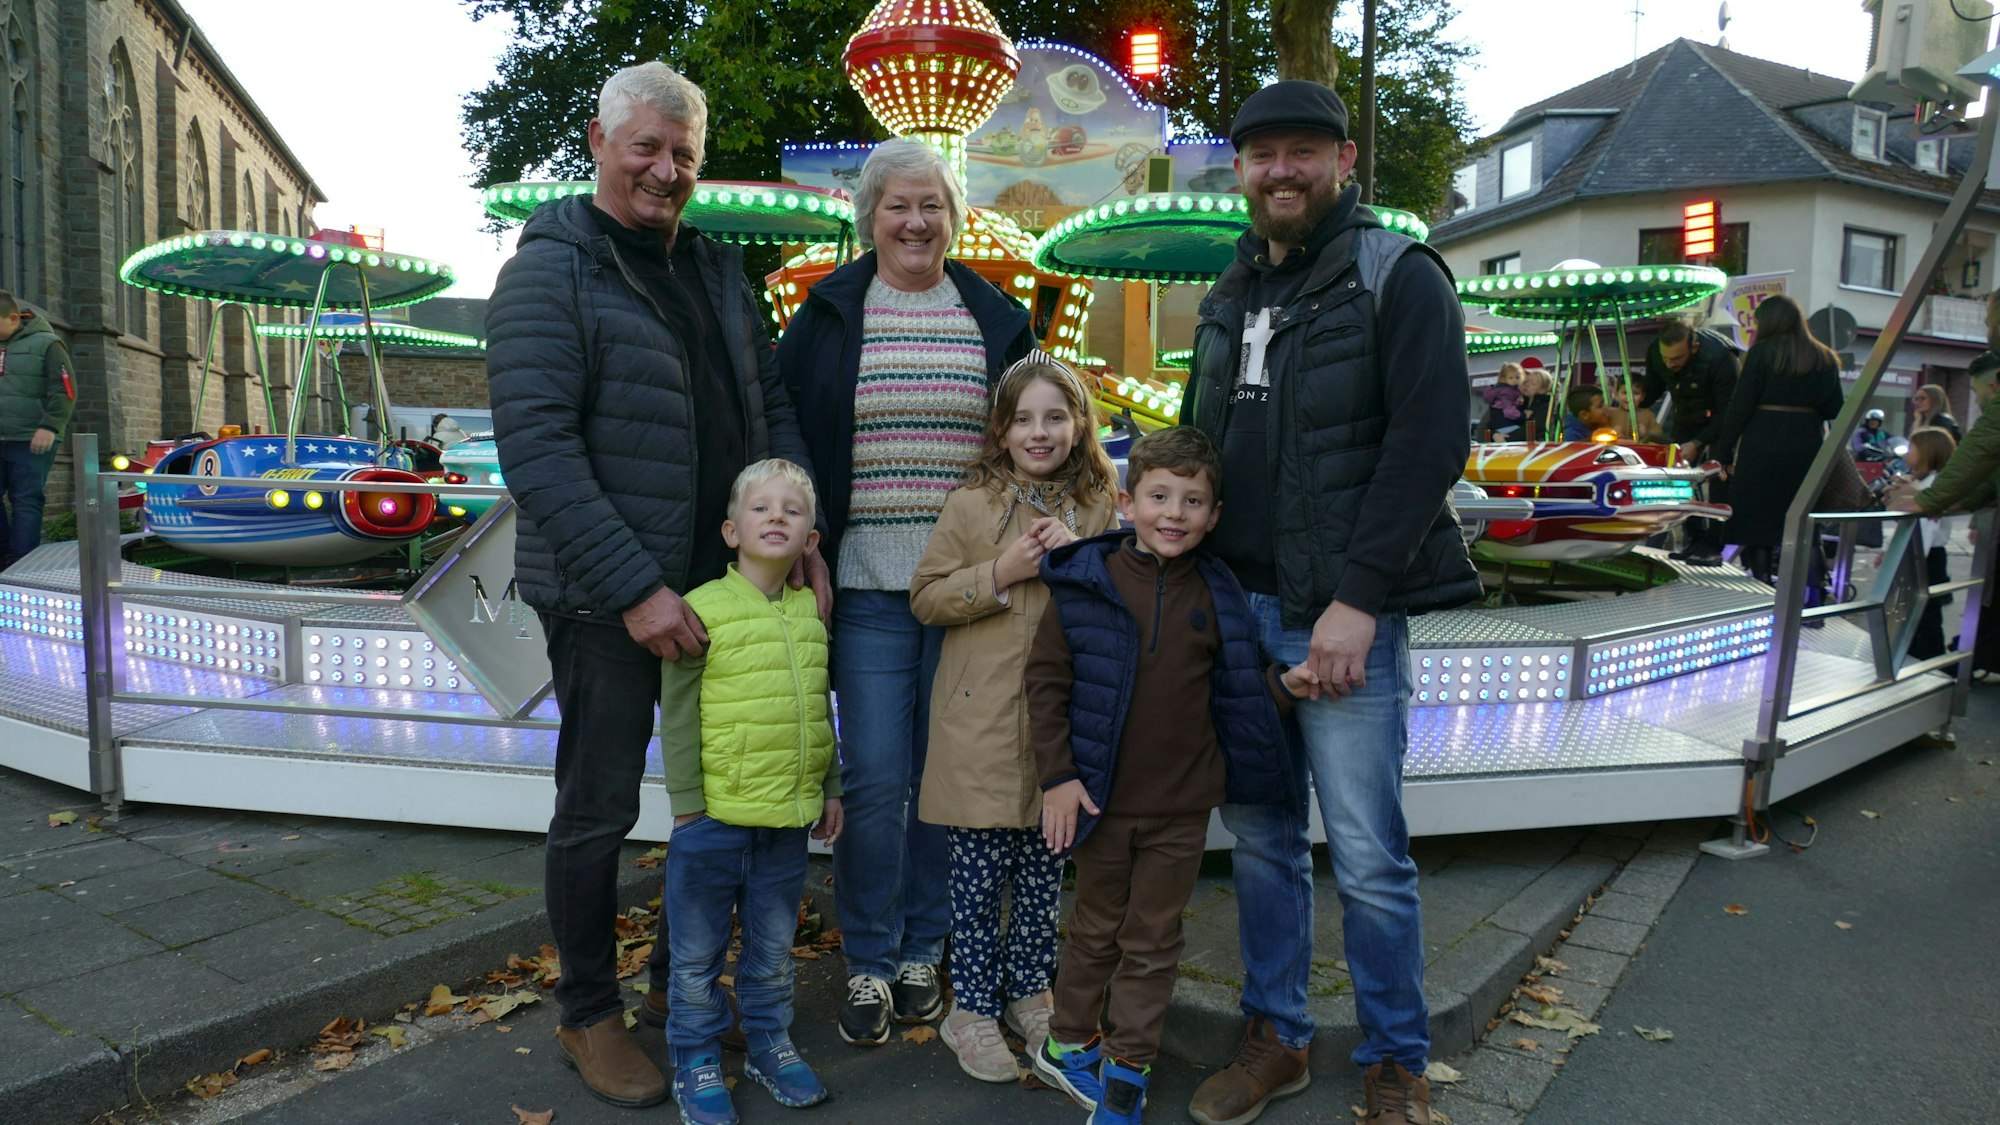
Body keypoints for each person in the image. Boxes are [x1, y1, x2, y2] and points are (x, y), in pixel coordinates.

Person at [484, 62, 820, 1108]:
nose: (665, 170)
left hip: (719, 588)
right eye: (646, 148)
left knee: (714, 803)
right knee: (595, 807)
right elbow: (535, 450)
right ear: (597, 140)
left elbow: (766, 407)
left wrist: (797, 523)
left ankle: (682, 996)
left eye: (682, 154)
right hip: (604, 596)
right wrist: (635, 588)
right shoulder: (551, 270)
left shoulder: (717, 270)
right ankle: (589, 1015)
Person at [1179, 81, 1480, 1125]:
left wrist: (1356, 602)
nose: (1280, 171)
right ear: (1240, 170)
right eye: (1261, 156)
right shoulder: (1230, 292)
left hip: (1338, 616)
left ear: (1343, 162)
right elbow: (1201, 452)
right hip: (1242, 612)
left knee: (1364, 854)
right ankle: (1276, 1036)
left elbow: (1428, 443)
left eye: (1302, 151)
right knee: (1260, 842)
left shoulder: (1395, 276)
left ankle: (1395, 1058)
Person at [777, 138, 1035, 1047]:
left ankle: (928, 946)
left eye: (932, 206)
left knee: (945, 779)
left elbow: (1034, 442)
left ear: (953, 219)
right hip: (868, 586)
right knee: (881, 777)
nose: (916, 222)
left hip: (968, 587)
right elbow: (791, 429)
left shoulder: (995, 318)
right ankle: (873, 958)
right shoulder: (829, 314)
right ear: (871, 217)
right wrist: (802, 537)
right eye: (899, 206)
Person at [1025, 426, 1311, 1125]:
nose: (1174, 513)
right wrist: (1058, 777)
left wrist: (1289, 685)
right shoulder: (1086, 582)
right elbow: (1045, 681)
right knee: (1094, 929)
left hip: (1181, 810)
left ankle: (1128, 1069)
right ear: (1127, 502)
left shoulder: (1218, 595)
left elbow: (1237, 697)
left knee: (1153, 942)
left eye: (1193, 500)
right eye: (1159, 496)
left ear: (1214, 516)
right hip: (1100, 798)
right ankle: (1066, 1043)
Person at [908, 353, 1120, 1082]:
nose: (1040, 431)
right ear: (1000, 430)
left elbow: (1121, 590)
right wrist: (1001, 571)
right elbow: (927, 597)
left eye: (1056, 417)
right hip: (980, 722)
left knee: (1041, 870)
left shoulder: (1097, 500)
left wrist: (1083, 558)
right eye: (1024, 419)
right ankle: (969, 1004)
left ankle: (1031, 991)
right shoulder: (970, 502)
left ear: (1078, 425)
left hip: (1059, 727)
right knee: (976, 878)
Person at [660, 459, 840, 1125]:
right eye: (761, 509)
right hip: (713, 820)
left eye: (792, 511)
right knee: (696, 954)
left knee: (769, 951)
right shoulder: (702, 607)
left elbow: (817, 708)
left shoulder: (810, 612)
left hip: (786, 822)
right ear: (732, 530)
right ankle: (696, 1056)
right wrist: (687, 802)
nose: (776, 518)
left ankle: (767, 1042)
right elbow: (677, 711)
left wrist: (832, 786)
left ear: (810, 540)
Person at [1708, 294, 1846, 583]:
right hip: (1807, 443)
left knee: (1759, 522)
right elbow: (1835, 409)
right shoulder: (1825, 357)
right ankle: (1813, 592)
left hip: (1763, 443)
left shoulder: (1761, 353)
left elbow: (1739, 406)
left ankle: (1764, 588)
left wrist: (1722, 453)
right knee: (1803, 523)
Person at [1645, 320, 1741, 565]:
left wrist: (1699, 442)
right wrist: (1631, 402)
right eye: (1666, 358)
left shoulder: (1721, 358)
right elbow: (1652, 389)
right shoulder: (1657, 353)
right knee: (1680, 479)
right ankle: (1694, 538)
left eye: (1677, 358)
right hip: (1684, 417)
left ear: (1694, 347)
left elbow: (1730, 411)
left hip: (1720, 421)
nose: (1670, 364)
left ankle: (1713, 545)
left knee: (1718, 476)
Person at [0, 292, 77, 569]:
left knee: (25, 499)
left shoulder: (48, 344)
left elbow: (64, 390)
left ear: (12, 318)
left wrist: (49, 426)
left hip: (31, 438)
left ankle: (21, 562)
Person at [1902, 427, 1959, 661]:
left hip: (1926, 556)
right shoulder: (1925, 482)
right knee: (1922, 610)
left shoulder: (1932, 487)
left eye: (1911, 448)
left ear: (1926, 452)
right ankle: (1922, 654)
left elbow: (1925, 529)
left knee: (1925, 611)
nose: (1906, 453)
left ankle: (1929, 658)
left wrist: (1909, 558)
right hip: (1926, 554)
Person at [1480, 362, 1524, 440]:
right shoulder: (1507, 392)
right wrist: (1522, 415)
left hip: (1498, 425)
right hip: (1506, 424)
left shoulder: (1501, 390)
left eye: (1517, 377)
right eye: (1511, 378)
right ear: (1503, 379)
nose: (1515, 380)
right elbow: (1508, 410)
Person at [1518, 364, 1554, 442]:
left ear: (1543, 388)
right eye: (1526, 382)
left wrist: (1506, 437)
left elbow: (1533, 429)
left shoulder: (1546, 405)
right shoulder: (1523, 402)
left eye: (1533, 383)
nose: (1527, 385)